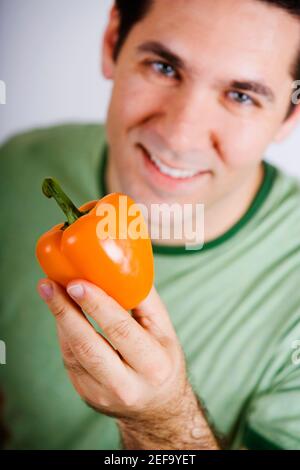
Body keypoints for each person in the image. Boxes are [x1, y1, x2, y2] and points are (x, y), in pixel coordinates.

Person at [1, 0, 300, 450]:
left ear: (290, 115)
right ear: (111, 43)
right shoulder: (19, 165)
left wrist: (162, 423)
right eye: (163, 67)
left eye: (241, 96)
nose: (179, 136)